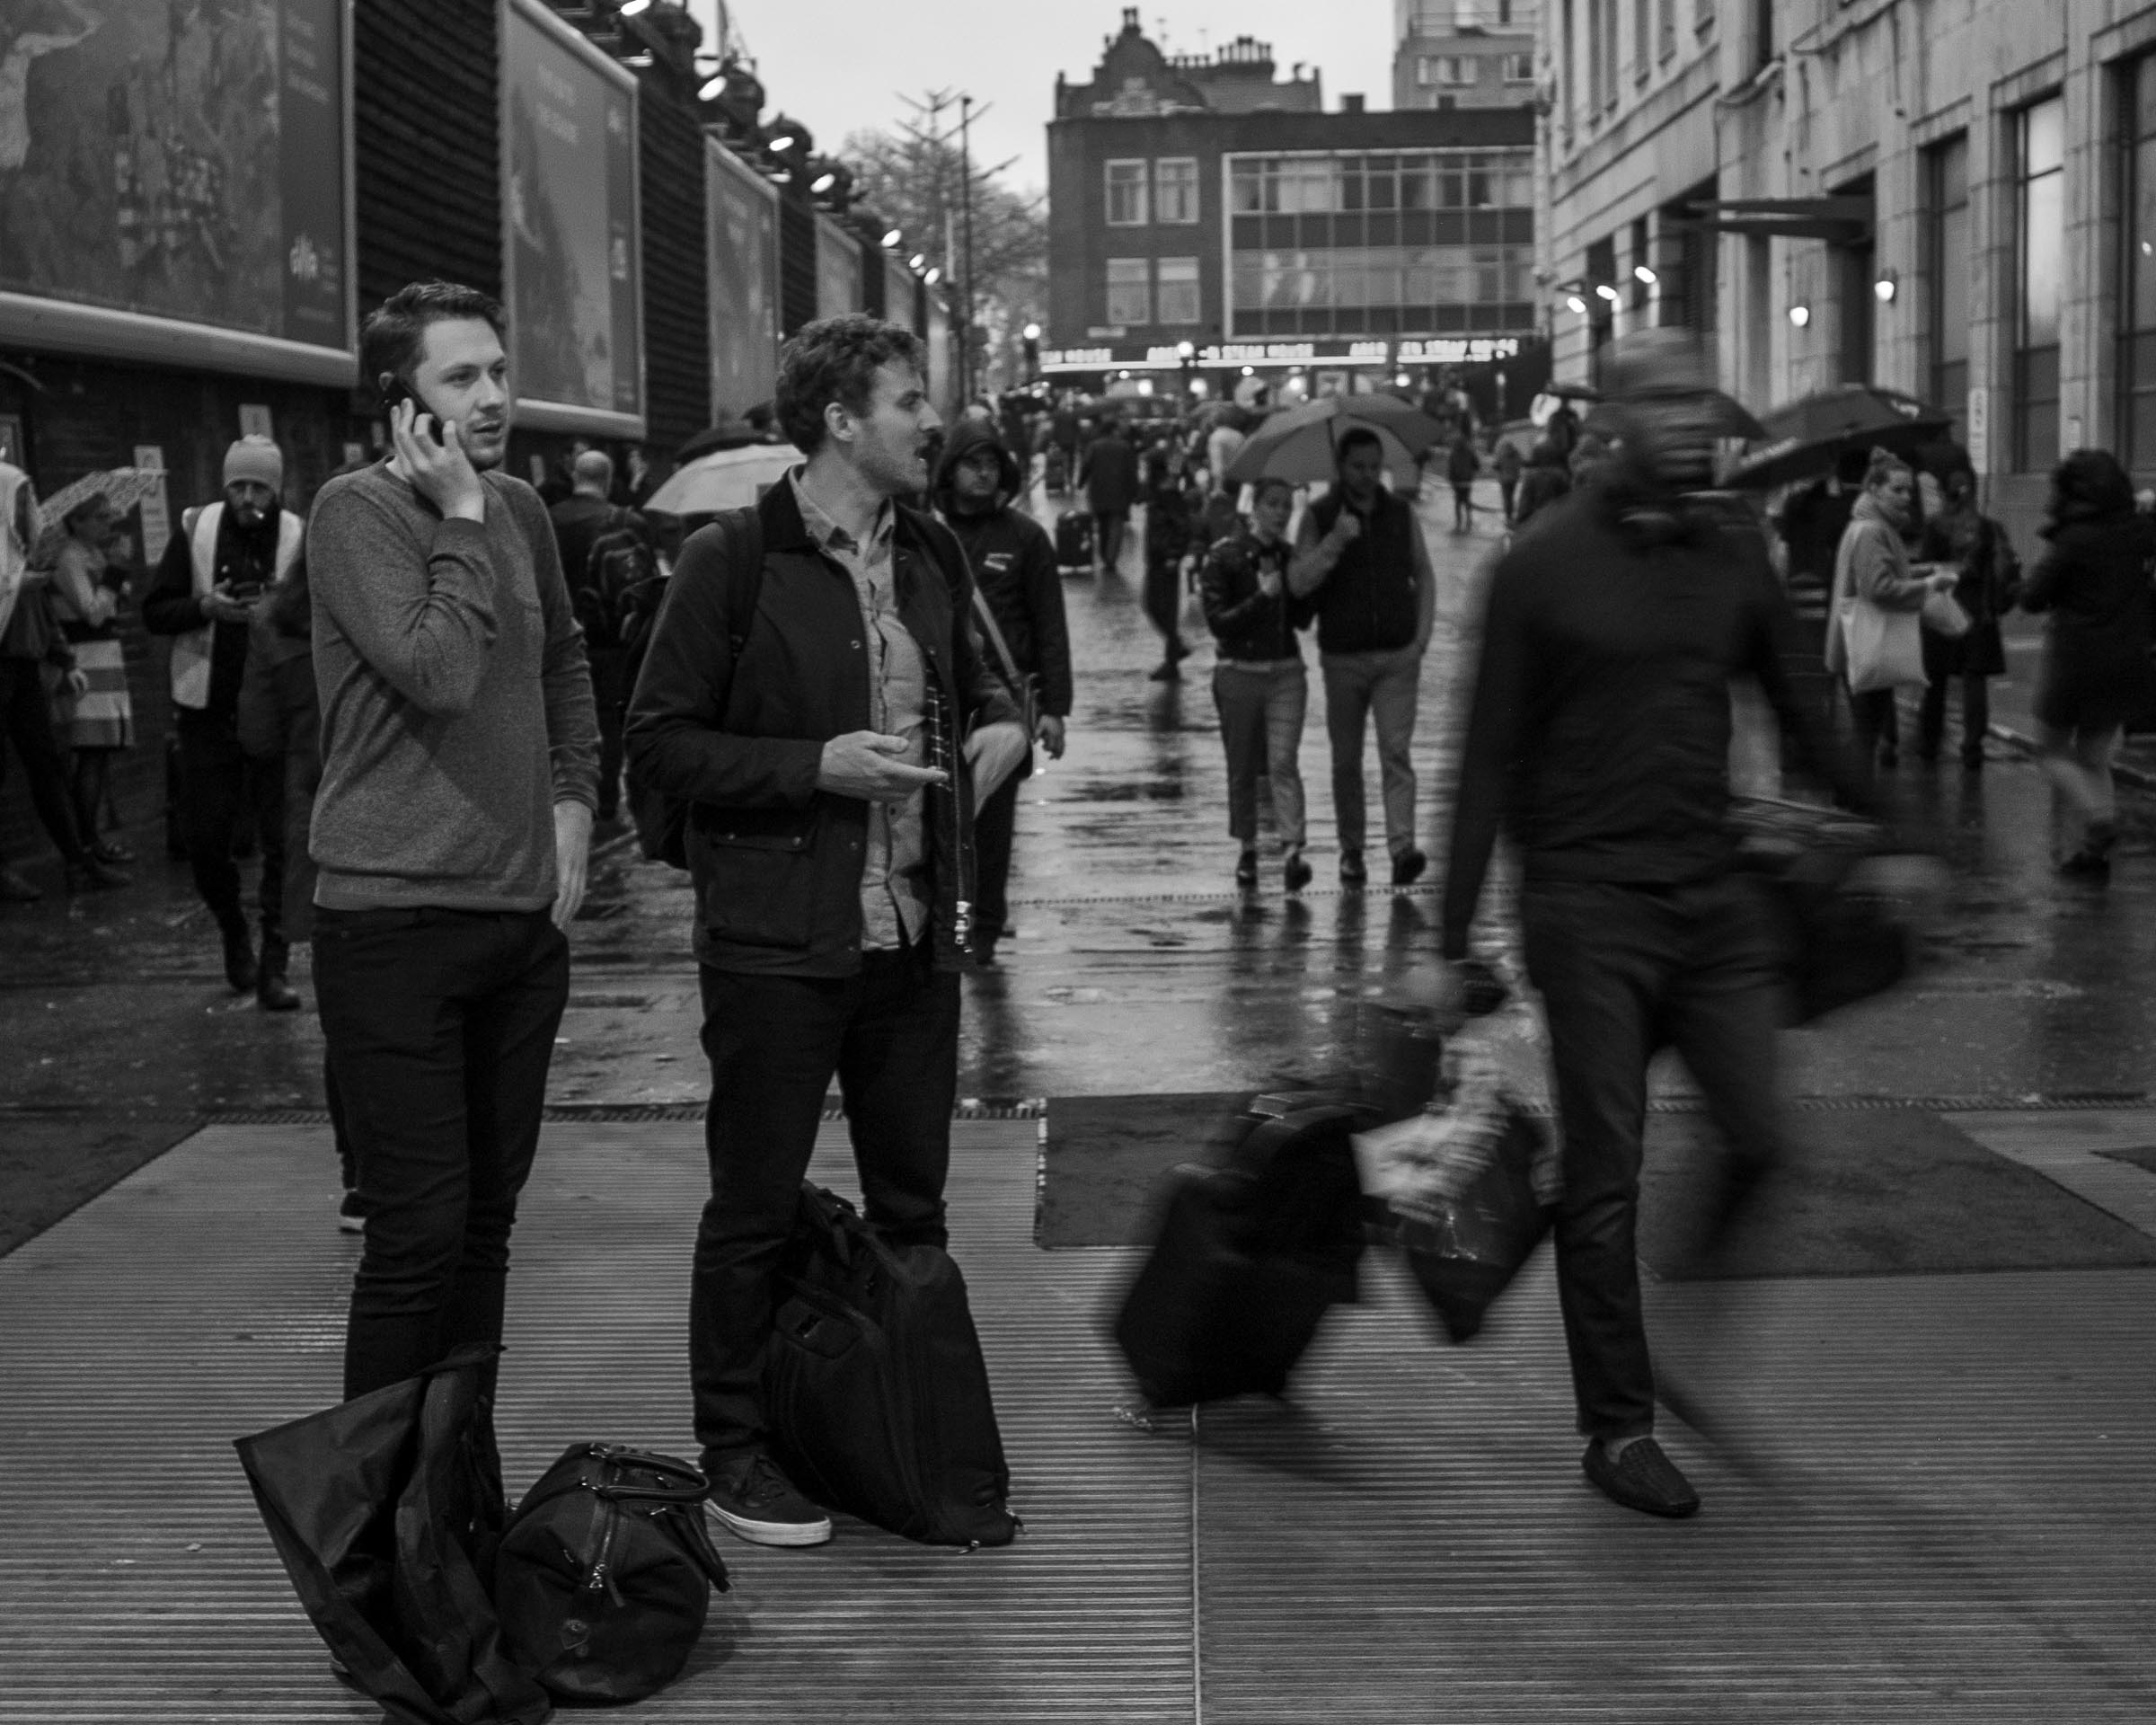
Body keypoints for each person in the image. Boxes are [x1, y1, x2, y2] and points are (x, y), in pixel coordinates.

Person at [1441, 330, 1887, 1519]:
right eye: (1664, 399)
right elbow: (1484, 761)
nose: (1691, 418)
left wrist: (1905, 836)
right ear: (1612, 418)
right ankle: (1618, 1426)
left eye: (1699, 396)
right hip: (1586, 906)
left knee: (1761, 1135)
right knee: (1606, 1173)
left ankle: (1667, 1306)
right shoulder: (1539, 564)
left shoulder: (1733, 545)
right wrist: (1443, 949)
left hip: (1715, 895)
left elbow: (1809, 714)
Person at [625, 314, 1026, 1549]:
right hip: (778, 945)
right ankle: (736, 1447)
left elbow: (991, 689)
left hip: (910, 944)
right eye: (910, 400)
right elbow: (663, 744)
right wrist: (817, 765)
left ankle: (902, 1440)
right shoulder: (729, 562)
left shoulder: (933, 554)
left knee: (915, 1212)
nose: (934, 421)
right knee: (752, 1205)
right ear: (841, 420)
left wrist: (997, 743)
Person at [307, 281, 599, 1445]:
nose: (492, 396)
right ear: (401, 405)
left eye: (498, 371)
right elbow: (437, 669)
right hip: (392, 923)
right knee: (416, 1235)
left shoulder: (522, 508)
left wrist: (577, 802)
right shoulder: (353, 514)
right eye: (460, 378)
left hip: (521, 922)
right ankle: (373, 1536)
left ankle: (454, 1501)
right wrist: (463, 516)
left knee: (486, 1229)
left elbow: (567, 664)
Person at [143, 437, 302, 997]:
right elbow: (154, 611)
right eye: (238, 485)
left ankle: (274, 961)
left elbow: (322, 619)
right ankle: (233, 929)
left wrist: (275, 610)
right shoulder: (197, 530)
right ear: (224, 485)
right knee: (205, 840)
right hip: (207, 710)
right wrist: (206, 607)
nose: (248, 497)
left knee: (283, 842)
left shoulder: (298, 535)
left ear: (276, 489)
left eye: (260, 486)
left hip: (277, 712)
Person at [932, 416, 1074, 964]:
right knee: (944, 832)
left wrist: (1055, 710)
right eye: (973, 463)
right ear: (952, 469)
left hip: (1004, 713)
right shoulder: (927, 534)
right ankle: (952, 929)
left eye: (992, 464)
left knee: (990, 838)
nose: (984, 474)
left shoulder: (1025, 538)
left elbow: (1050, 626)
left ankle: (981, 934)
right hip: (940, 705)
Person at [1289, 426, 1435, 887]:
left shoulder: (1399, 512)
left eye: (1375, 467)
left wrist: (1420, 640)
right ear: (1340, 467)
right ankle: (1352, 849)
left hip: (1396, 656)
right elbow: (1298, 582)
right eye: (1358, 467)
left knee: (1396, 753)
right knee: (1345, 761)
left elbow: (1424, 574)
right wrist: (1335, 541)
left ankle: (1402, 847)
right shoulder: (1319, 515)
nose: (1369, 475)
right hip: (1343, 658)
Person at [2019, 448, 2156, 881]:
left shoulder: (2074, 540)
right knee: (2095, 755)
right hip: (2128, 660)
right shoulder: (2141, 532)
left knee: (2051, 749)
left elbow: (2032, 597)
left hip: (2076, 660)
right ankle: (2093, 856)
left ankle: (2100, 821)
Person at [0, 459, 122, 900]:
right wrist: (14, 588)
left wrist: (64, 659)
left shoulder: (21, 552)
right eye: (18, 498)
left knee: (48, 763)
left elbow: (43, 613)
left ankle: (78, 859)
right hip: (3, 664)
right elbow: (87, 608)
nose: (25, 506)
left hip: (25, 662)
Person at [1200, 476, 1312, 892]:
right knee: (1243, 765)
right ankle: (1247, 848)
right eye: (1273, 504)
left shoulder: (1289, 556)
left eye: (1287, 505)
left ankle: (1291, 851)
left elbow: (1301, 620)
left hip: (1285, 671)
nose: (1281, 513)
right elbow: (1218, 623)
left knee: (1283, 761)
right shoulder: (1224, 557)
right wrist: (1262, 597)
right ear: (1254, 507)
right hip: (1238, 672)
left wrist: (1307, 581)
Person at [1823, 449, 1957, 774]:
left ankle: (1855, 803)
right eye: (1897, 489)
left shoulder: (1874, 526)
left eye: (1909, 490)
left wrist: (1921, 572)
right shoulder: (1872, 530)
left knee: (1866, 732)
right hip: (1868, 644)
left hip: (1865, 642)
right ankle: (1854, 805)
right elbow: (1878, 588)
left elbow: (1879, 576)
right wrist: (1927, 586)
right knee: (1865, 733)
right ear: (1873, 490)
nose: (1906, 497)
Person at [48, 491, 136, 862]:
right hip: (85, 659)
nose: (107, 523)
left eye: (107, 516)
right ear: (76, 521)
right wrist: (115, 572)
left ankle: (91, 838)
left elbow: (117, 601)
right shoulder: (69, 557)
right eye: (97, 517)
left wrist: (116, 573)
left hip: (107, 657)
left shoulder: (94, 553)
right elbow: (93, 612)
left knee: (100, 754)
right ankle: (87, 843)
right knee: (90, 753)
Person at [1915, 463, 2019, 770]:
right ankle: (1972, 748)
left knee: (1934, 683)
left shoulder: (1935, 526)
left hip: (1941, 611)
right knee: (1975, 684)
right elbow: (2004, 572)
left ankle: (1928, 745)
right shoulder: (1990, 528)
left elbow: (1925, 568)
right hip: (1979, 615)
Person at [1139, 445, 1197, 679]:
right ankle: (1173, 655)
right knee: (1157, 606)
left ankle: (1174, 654)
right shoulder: (1159, 489)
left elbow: (1183, 525)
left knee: (1158, 606)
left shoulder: (1167, 491)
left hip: (1165, 559)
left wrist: (1174, 553)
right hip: (1158, 558)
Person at [1080, 410, 1140, 575]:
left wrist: (1080, 482)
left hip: (1098, 492)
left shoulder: (1094, 446)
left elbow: (1086, 466)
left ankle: (1104, 555)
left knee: (1103, 525)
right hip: (1119, 492)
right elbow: (1131, 471)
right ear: (1113, 430)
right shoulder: (1124, 447)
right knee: (1116, 526)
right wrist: (1135, 491)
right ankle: (1111, 558)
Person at [1512, 436, 1570, 529]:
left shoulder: (1531, 477)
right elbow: (1568, 499)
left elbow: (1525, 503)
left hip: (1536, 522)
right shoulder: (1560, 475)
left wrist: (1520, 521)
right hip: (1558, 520)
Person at [1445, 430, 1480, 533]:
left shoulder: (1453, 453)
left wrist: (1451, 479)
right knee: (1467, 501)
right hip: (1467, 480)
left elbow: (1451, 468)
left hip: (1457, 481)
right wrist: (1471, 472)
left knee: (1458, 502)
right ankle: (1469, 520)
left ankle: (1458, 523)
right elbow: (1477, 465)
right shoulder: (1470, 452)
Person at [1493, 437, 1524, 525]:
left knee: (1507, 498)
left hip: (1504, 479)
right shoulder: (1516, 453)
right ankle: (1511, 516)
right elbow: (1521, 462)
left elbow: (1496, 465)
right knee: (1511, 497)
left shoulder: (1501, 453)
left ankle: (1508, 517)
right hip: (1514, 478)